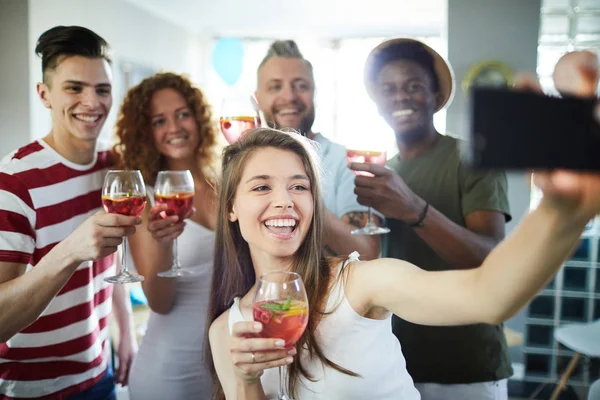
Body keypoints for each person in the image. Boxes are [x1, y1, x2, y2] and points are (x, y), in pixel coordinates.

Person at [204, 49, 600, 399]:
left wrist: (561, 211)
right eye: (261, 186)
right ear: (230, 208)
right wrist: (246, 382)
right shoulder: (225, 333)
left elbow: (489, 294)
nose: (284, 201)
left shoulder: (359, 283)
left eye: (299, 186)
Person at [351, 38, 511, 399]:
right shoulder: (383, 173)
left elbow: (490, 258)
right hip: (396, 362)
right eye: (388, 89)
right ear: (377, 104)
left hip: (467, 366)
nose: (401, 98)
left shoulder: (472, 157)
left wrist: (413, 208)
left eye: (414, 87)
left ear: (436, 96)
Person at [0, 26, 138, 399]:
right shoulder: (14, 180)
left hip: (99, 372)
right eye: (74, 88)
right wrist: (71, 249)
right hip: (28, 388)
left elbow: (112, 261)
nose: (92, 102)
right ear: (44, 94)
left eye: (102, 89)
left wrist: (125, 332)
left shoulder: (115, 167)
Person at [113, 72, 219, 399]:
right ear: (146, 133)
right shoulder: (144, 199)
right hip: (170, 373)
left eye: (183, 114)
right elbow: (159, 302)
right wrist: (165, 243)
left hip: (226, 367)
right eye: (159, 121)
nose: (174, 127)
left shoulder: (227, 179)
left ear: (199, 118)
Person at [254, 40, 381, 260]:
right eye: (275, 87)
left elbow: (367, 252)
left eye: (301, 85)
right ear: (257, 99)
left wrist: (304, 201)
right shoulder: (246, 165)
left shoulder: (346, 162)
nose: (289, 96)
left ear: (315, 93)